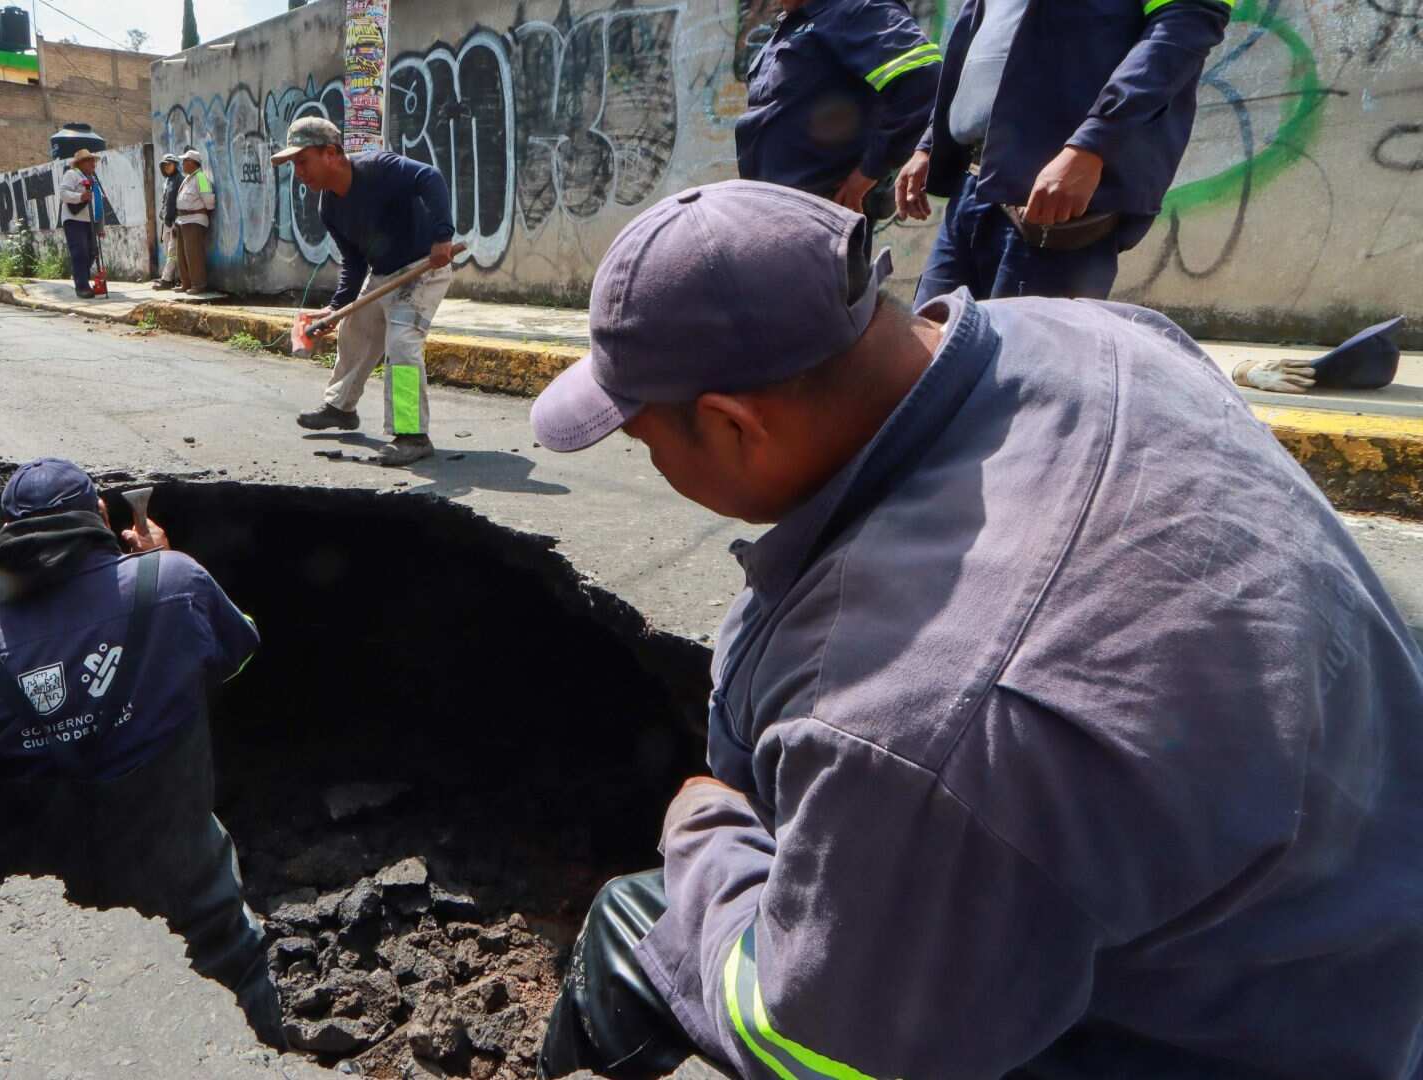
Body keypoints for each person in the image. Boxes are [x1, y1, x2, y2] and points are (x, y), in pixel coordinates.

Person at [529, 180, 1423, 1078]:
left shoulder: (922, 730)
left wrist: (705, 836)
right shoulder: (1096, 335)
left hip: (1222, 1042)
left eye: (648, 444)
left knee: (647, 937)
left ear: (731, 423)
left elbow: (816, 1043)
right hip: (1348, 949)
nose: (654, 466)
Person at [0, 459, 284, 1049]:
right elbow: (235, 655)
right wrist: (153, 567)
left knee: (76, 1025)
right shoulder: (173, 582)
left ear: (7, 533)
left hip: (53, 902)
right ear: (103, 516)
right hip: (182, 874)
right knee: (235, 969)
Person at [896, 0, 1229, 302]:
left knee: (1026, 361)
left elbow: (1182, 30)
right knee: (929, 353)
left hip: (1055, 197)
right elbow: (982, 43)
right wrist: (930, 142)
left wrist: (1093, 144)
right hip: (972, 184)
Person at [277, 117, 455, 468]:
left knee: (402, 343)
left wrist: (443, 236)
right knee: (354, 331)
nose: (298, 171)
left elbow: (430, 178)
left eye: (302, 161)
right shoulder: (329, 207)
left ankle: (412, 434)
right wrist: (337, 307)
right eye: (293, 164)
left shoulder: (379, 168)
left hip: (424, 269)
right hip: (385, 275)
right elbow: (354, 261)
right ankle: (341, 409)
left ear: (330, 153)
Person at [735, 0, 940, 218]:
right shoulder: (792, 26)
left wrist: (867, 173)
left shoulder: (857, 9)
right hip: (770, 214)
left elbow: (923, 80)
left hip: (821, 217)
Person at [174, 149, 216, 294]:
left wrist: (202, 214)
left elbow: (209, 202)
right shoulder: (188, 178)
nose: (183, 164)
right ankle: (186, 283)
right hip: (182, 221)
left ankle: (199, 285)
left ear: (193, 163)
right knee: (182, 255)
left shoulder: (201, 178)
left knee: (194, 254)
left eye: (185, 161)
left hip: (195, 220)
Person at [59, 148, 99, 299]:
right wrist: (80, 197)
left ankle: (80, 278)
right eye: (90, 161)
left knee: (91, 253)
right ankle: (82, 286)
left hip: (88, 220)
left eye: (93, 161)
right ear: (81, 163)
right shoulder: (72, 174)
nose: (93, 164)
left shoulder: (92, 178)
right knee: (80, 252)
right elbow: (63, 194)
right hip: (74, 220)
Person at [155, 154, 182, 288]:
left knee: (172, 251)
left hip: (175, 221)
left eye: (169, 164)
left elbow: (176, 203)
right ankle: (174, 278)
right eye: (165, 165)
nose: (167, 167)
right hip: (166, 221)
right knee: (169, 251)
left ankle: (166, 280)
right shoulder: (168, 180)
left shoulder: (179, 179)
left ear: (175, 165)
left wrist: (175, 221)